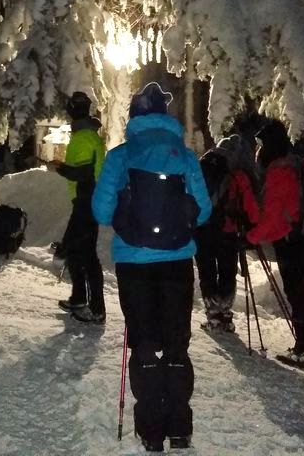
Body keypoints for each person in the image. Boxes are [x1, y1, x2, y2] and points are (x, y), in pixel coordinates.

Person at [92, 82, 211, 452]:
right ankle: (180, 428)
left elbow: (100, 211)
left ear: (135, 115)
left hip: (134, 262)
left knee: (144, 343)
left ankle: (151, 433)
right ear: (165, 114)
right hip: (177, 261)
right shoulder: (186, 156)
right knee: (177, 344)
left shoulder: (120, 156)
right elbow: (203, 211)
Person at [245, 119, 304, 368]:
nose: (257, 150)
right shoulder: (290, 164)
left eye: (260, 144)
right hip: (298, 237)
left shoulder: (280, 171)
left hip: (291, 240)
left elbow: (275, 215)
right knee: (297, 290)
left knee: (296, 291)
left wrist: (250, 237)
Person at [48, 91, 107, 324]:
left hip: (86, 200)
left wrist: (59, 167)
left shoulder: (83, 137)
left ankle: (97, 308)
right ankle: (79, 298)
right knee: (74, 250)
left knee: (87, 255)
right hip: (86, 200)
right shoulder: (88, 134)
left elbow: (82, 173)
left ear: (72, 110)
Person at [194, 134, 259, 332]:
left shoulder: (203, 165)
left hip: (202, 227)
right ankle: (224, 312)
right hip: (228, 230)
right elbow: (251, 208)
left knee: (207, 270)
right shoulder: (238, 174)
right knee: (227, 269)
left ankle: (212, 312)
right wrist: (252, 226)